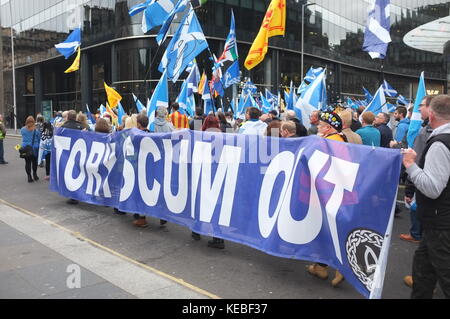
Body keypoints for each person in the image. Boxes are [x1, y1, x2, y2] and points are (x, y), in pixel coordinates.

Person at [402, 94, 450, 299]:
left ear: (431, 115)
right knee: (422, 274)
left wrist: (410, 164)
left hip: (440, 225)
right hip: (437, 223)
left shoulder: (440, 143)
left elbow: (432, 188)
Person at [307, 110, 347, 287]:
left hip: (326, 192)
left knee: (326, 230)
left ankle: (338, 267)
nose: (317, 126)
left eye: (321, 125)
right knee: (329, 229)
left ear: (328, 127)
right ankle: (321, 265)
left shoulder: (329, 142)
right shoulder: (341, 139)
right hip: (335, 191)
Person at [401, 96, 435, 288]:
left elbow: (418, 162)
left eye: (420, 105)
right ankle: (422, 279)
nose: (417, 109)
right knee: (427, 248)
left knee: (432, 244)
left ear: (431, 109)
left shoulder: (431, 135)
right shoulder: (428, 130)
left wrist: (410, 187)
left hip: (435, 205)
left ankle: (423, 280)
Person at [133, 113, 168, 228]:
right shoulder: (153, 135)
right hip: (153, 167)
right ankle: (162, 215)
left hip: (142, 169)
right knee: (156, 192)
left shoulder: (137, 136)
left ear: (138, 124)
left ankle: (142, 219)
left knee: (142, 192)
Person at [62, 110, 84, 204]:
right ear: (75, 117)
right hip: (79, 154)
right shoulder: (81, 127)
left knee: (70, 175)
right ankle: (79, 194)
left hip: (68, 155)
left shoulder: (63, 127)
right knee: (79, 174)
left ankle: (74, 197)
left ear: (68, 117)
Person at [20, 116, 41, 183]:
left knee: (27, 162)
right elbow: (39, 139)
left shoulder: (22, 129)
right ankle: (35, 175)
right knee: (34, 162)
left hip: (25, 148)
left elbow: (23, 137)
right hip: (34, 148)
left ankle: (29, 177)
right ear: (34, 121)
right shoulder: (36, 130)